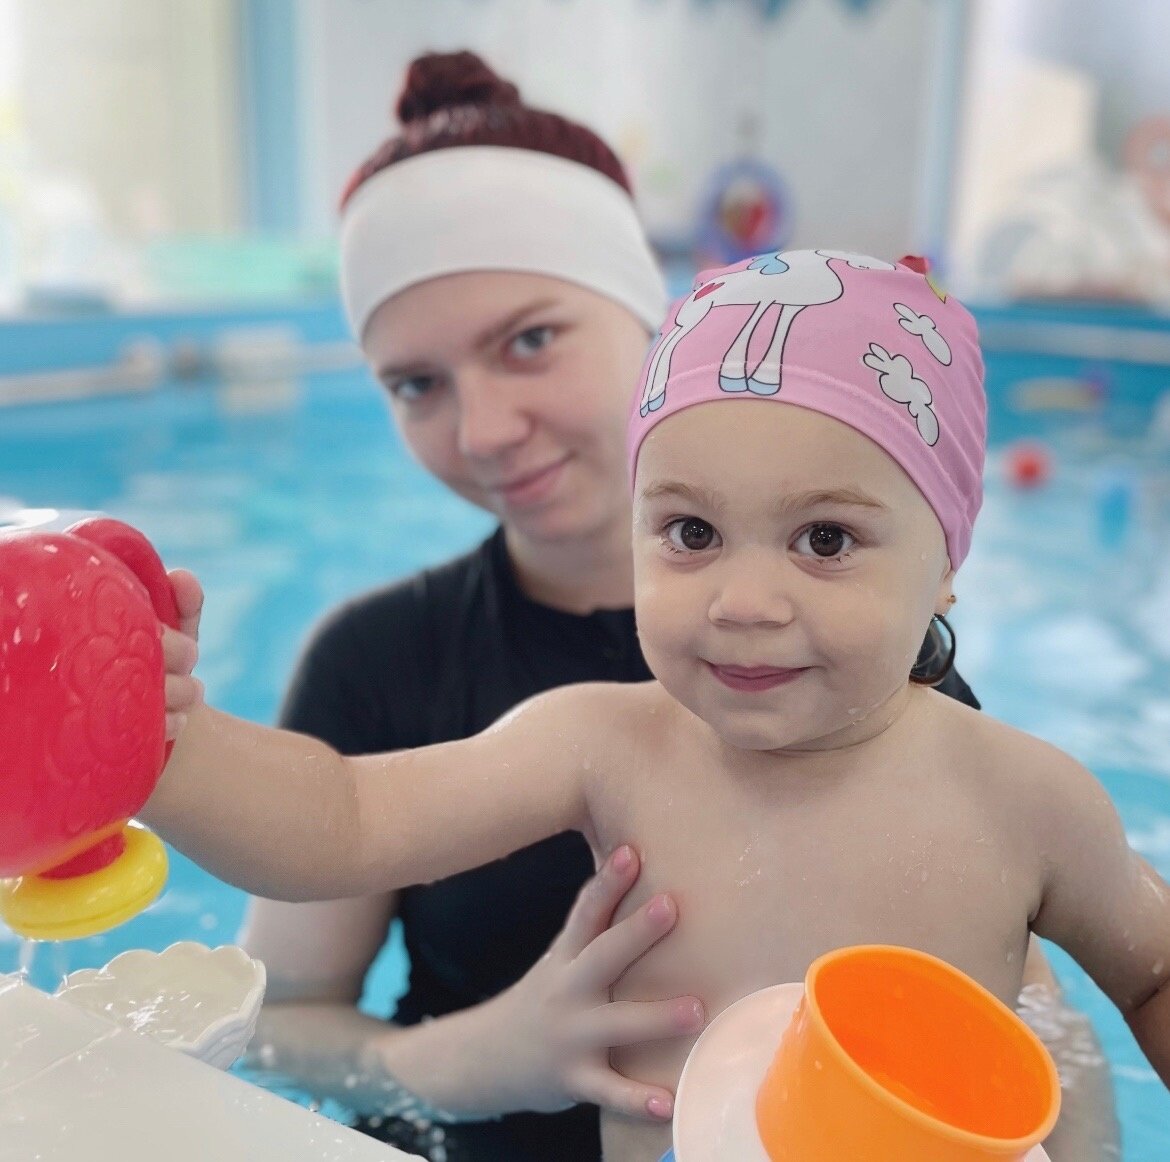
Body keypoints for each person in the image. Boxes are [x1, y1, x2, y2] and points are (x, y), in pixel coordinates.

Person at [148, 250, 1165, 1162]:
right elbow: (346, 818)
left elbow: (1153, 974)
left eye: (824, 540)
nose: (745, 603)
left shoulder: (1027, 801)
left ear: (946, 563)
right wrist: (159, 740)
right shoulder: (605, 745)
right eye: (689, 531)